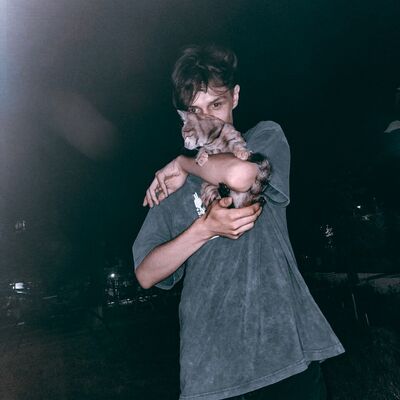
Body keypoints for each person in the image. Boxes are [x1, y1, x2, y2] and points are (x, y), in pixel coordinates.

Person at [132, 44, 345, 400]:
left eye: (216, 105)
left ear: (235, 96)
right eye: (195, 111)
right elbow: (145, 273)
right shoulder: (175, 190)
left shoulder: (263, 138)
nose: (208, 121)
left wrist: (184, 163)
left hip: (283, 353)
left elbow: (241, 175)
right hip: (210, 368)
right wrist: (204, 229)